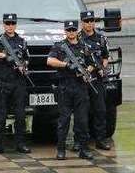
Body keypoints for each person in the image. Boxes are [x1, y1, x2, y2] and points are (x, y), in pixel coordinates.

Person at [47, 20, 95, 160]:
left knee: (82, 121)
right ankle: (61, 150)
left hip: (80, 87)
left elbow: (92, 63)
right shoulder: (59, 46)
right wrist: (66, 65)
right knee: (64, 120)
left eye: (73, 30)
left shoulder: (84, 46)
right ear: (65, 31)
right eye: (69, 30)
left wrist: (86, 71)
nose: (71, 32)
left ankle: (84, 149)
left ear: (77, 30)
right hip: (65, 87)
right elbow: (50, 61)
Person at [0, 13, 31, 154]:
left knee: (20, 115)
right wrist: (4, 55)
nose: (10, 26)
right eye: (7, 23)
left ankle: (20, 144)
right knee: (1, 114)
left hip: (18, 82)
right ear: (3, 24)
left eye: (12, 23)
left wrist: (23, 66)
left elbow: (26, 58)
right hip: (3, 81)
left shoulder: (21, 41)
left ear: (15, 25)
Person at [78, 10, 112, 150]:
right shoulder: (77, 38)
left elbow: (106, 56)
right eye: (86, 21)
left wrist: (102, 67)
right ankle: (80, 141)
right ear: (82, 22)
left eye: (91, 21)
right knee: (81, 112)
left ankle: (100, 140)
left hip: (97, 80)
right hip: (82, 81)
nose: (89, 23)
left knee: (100, 111)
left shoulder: (101, 38)